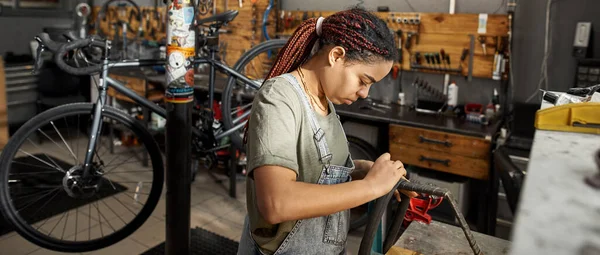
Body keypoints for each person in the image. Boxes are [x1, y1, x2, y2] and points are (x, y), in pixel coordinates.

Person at [238, 6, 417, 255]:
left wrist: (360, 172)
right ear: (336, 56)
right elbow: (275, 202)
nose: (365, 93)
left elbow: (311, 174)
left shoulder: (325, 103)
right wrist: (371, 188)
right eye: (363, 81)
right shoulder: (280, 98)